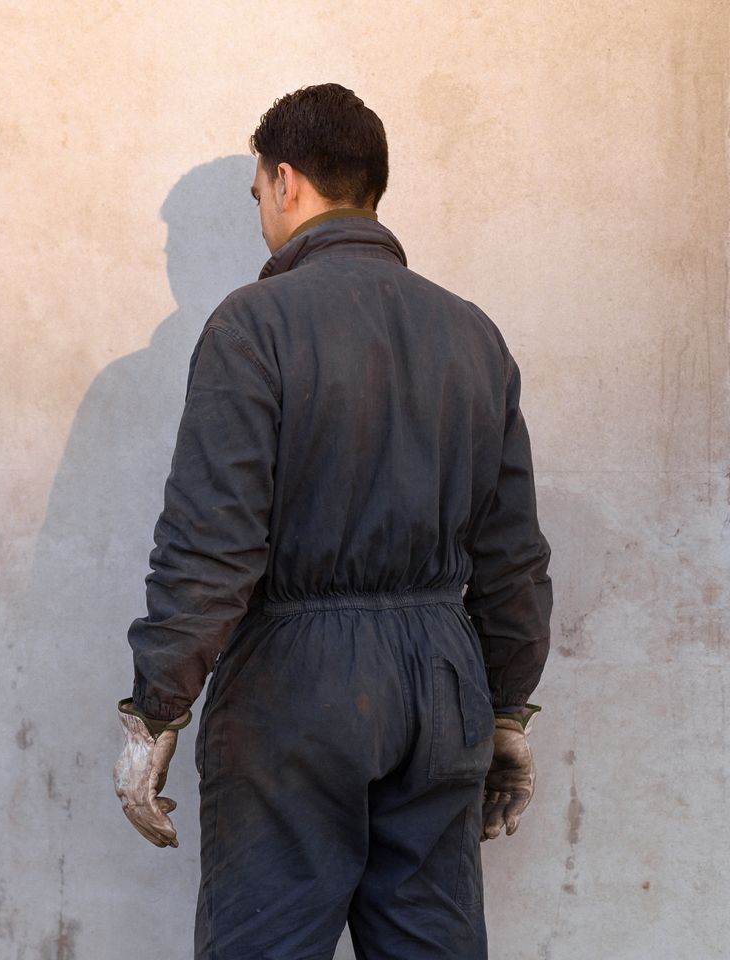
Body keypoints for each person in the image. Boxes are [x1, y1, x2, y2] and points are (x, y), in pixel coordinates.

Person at [113, 83, 552, 960]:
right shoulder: (473, 334)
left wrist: (158, 713)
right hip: (441, 683)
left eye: (256, 196)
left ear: (286, 182)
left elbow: (213, 542)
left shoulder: (254, 325)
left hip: (294, 691)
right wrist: (506, 710)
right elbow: (512, 553)